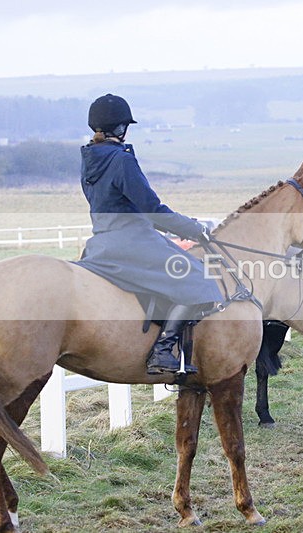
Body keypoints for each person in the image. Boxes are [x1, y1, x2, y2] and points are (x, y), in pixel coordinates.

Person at [76, 94, 221, 376]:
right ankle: (163, 350)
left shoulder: (88, 159)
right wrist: (196, 229)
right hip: (132, 241)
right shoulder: (121, 160)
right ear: (121, 128)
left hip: (100, 243)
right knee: (201, 281)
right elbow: (152, 209)